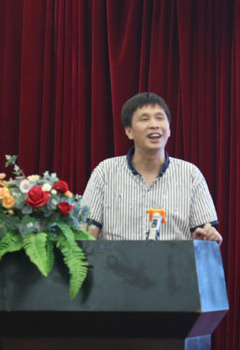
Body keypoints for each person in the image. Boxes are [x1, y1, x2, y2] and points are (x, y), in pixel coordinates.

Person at [82, 92, 222, 244]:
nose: (154, 125)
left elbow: (204, 237)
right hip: (116, 260)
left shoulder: (191, 175)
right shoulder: (105, 172)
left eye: (160, 118)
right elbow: (85, 236)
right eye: (145, 119)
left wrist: (209, 237)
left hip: (173, 260)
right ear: (129, 131)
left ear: (169, 129)